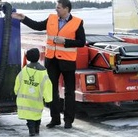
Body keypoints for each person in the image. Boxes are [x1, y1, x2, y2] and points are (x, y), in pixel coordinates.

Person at [12, 0, 85, 129]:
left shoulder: (77, 22)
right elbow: (37, 26)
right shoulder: (51, 18)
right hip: (51, 60)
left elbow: (81, 42)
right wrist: (23, 19)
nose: (56, 9)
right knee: (51, 90)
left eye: (58, 8)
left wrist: (65, 41)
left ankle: (68, 120)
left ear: (66, 9)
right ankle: (55, 119)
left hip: (67, 61)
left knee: (69, 92)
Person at [14, 48, 53, 136]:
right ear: (39, 57)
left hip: (26, 100)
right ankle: (36, 129)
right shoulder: (43, 72)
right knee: (37, 115)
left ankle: (31, 130)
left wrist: (16, 91)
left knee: (29, 117)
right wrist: (48, 98)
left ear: (27, 58)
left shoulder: (24, 70)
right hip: (38, 100)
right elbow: (47, 85)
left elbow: (18, 81)